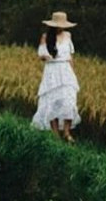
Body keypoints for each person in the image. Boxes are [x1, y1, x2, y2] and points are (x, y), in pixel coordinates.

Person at [31, 11, 81, 143]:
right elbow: (41, 55)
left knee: (69, 100)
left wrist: (73, 72)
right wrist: (46, 57)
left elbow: (70, 56)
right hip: (52, 70)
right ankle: (55, 133)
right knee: (53, 101)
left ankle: (66, 132)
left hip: (65, 70)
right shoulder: (46, 36)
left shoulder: (68, 35)